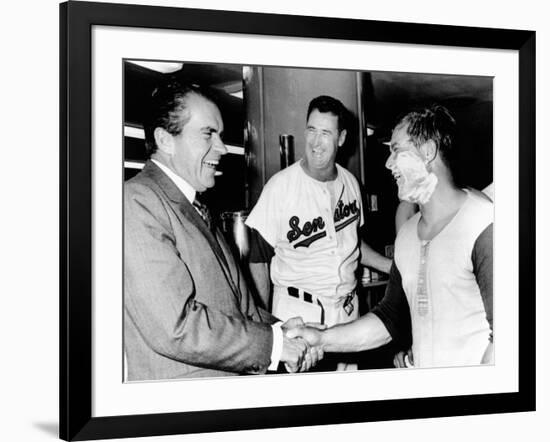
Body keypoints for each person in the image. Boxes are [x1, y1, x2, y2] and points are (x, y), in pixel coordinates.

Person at [124, 80, 321, 381]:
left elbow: (231, 306)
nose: (222, 148)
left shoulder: (195, 206)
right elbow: (175, 327)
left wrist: (281, 331)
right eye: (208, 134)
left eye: (220, 135)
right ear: (165, 140)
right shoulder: (136, 202)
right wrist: (275, 346)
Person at [288, 104, 494, 368]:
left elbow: (511, 338)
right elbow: (388, 319)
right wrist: (320, 338)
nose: (388, 164)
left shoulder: (483, 223)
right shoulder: (408, 236)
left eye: (396, 150)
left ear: (428, 151)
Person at [245, 95, 391, 370]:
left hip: (348, 313)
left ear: (341, 138)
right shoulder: (281, 186)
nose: (315, 141)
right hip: (300, 316)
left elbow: (353, 244)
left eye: (325, 133)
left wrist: (393, 266)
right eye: (311, 130)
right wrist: (266, 323)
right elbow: (257, 257)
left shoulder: (350, 183)